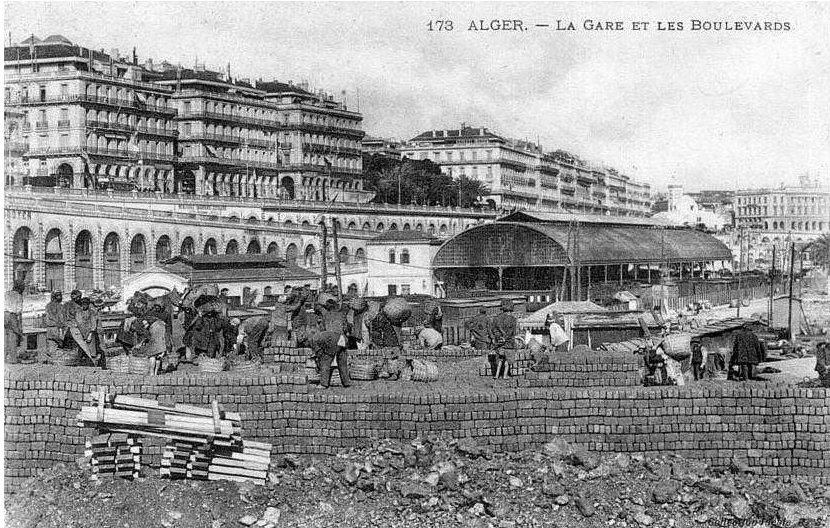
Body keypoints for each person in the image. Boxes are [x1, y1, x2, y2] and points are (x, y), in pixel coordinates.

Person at [489, 299, 517, 379]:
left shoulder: (496, 318)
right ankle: (505, 375)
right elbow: (512, 332)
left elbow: (493, 330)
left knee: (500, 359)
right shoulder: (513, 319)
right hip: (509, 343)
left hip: (499, 343)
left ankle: (497, 375)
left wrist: (499, 338)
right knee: (507, 361)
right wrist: (505, 338)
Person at [75, 297, 104, 367]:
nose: (84, 306)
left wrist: (90, 334)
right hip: (81, 334)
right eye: (83, 304)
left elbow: (93, 324)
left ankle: (93, 365)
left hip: (90, 334)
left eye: (86, 304)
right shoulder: (78, 312)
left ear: (88, 304)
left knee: (92, 351)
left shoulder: (91, 312)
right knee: (81, 351)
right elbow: (78, 322)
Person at [4, 280, 26, 363]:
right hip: (12, 316)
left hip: (3, 315)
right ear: (20, 288)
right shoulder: (19, 296)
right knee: (13, 337)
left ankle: (3, 358)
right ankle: (13, 359)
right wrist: (20, 327)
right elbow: (19, 313)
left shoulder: (6, 293)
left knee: (4, 338)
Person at [44, 290, 68, 359]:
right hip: (57, 328)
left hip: (49, 328)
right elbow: (61, 319)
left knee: (51, 346)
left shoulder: (48, 306)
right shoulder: (60, 306)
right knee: (59, 344)